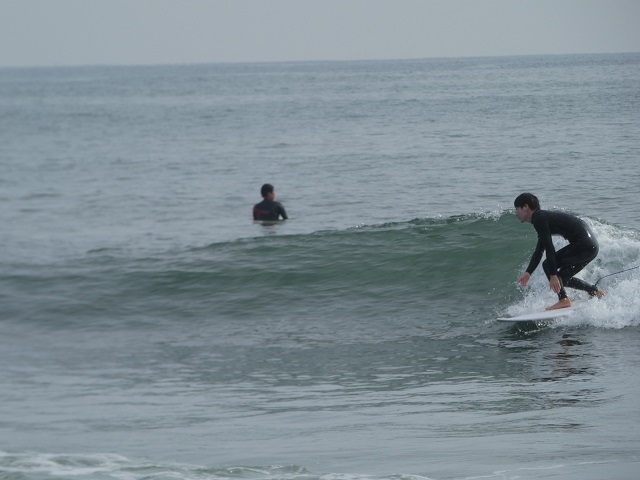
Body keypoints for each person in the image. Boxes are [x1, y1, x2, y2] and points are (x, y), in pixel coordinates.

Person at [514, 192, 605, 310]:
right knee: (562, 278)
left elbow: (549, 247)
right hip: (591, 247)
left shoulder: (539, 218)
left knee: (548, 265)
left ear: (526, 207)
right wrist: (528, 272)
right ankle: (594, 291)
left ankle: (563, 299)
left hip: (583, 245)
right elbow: (539, 250)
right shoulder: (542, 217)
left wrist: (552, 275)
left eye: (517, 209)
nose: (516, 213)